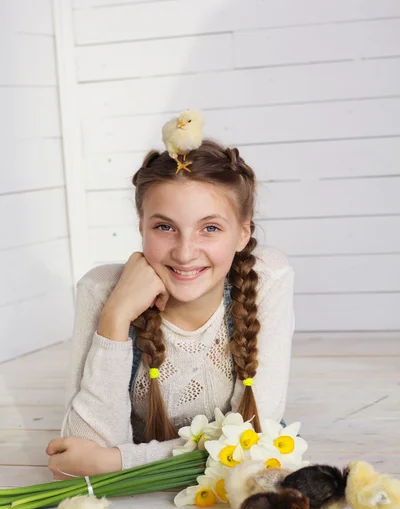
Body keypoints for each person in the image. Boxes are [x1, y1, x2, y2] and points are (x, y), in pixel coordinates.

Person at [46, 140, 294, 478]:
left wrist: (119, 462)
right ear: (141, 227)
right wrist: (116, 317)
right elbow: (82, 451)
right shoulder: (101, 289)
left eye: (210, 228)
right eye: (164, 227)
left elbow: (253, 443)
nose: (185, 252)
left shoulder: (267, 277)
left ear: (242, 233)